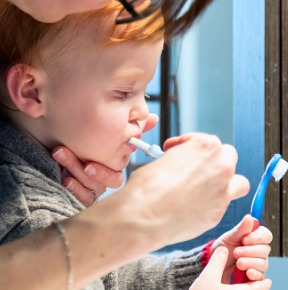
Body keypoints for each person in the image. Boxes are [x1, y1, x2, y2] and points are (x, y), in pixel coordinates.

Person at [0, 1, 272, 290]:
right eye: (123, 92)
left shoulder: (37, 181)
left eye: (146, 94)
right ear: (31, 90)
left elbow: (106, 276)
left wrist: (203, 265)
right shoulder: (30, 218)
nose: (145, 114)